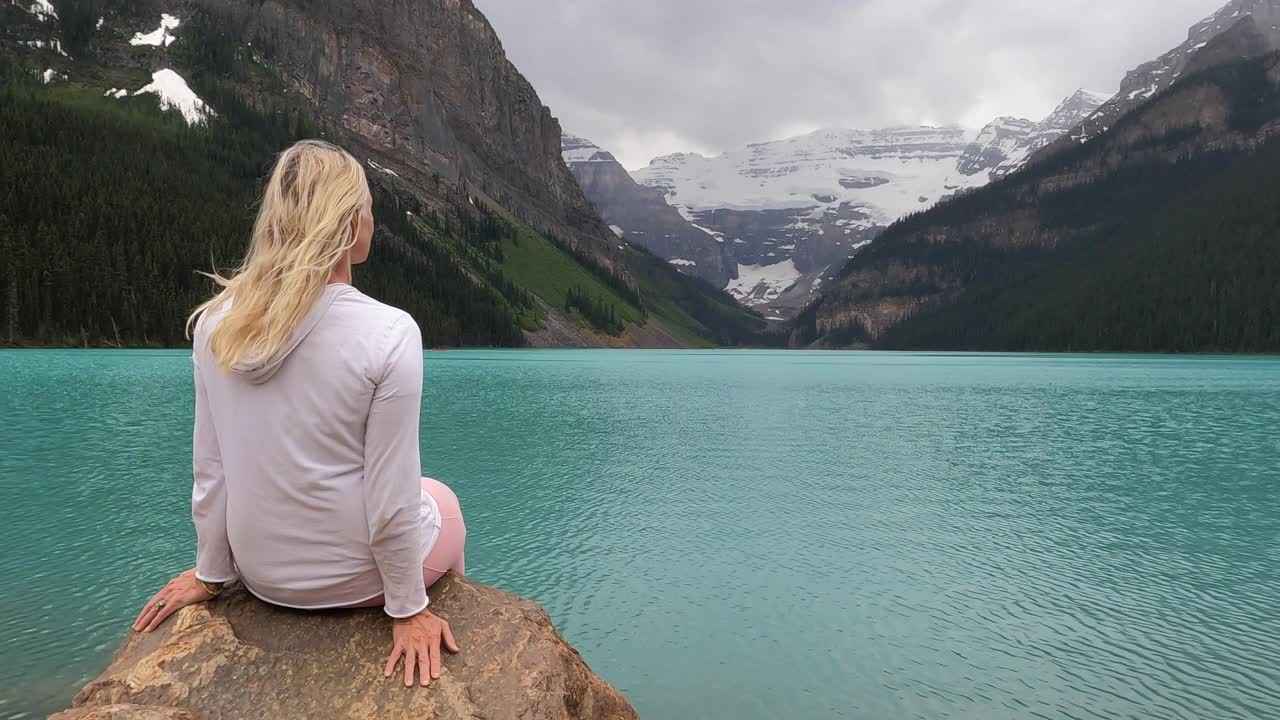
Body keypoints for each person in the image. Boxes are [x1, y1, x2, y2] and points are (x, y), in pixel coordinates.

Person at [130, 140, 466, 688]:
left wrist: (212, 573)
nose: (374, 219)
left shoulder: (217, 322)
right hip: (357, 582)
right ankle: (434, 644)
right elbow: (390, 496)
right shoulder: (389, 331)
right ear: (349, 220)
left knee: (417, 489)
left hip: (261, 576)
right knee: (442, 499)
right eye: (367, 206)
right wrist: (407, 608)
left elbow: (211, 469)